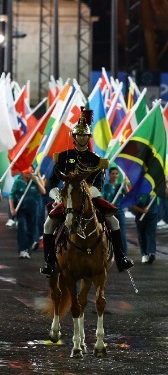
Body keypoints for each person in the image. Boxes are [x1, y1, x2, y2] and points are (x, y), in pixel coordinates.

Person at [40, 107, 134, 277]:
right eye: (79, 135)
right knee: (48, 224)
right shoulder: (63, 157)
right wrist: (57, 195)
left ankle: (121, 258)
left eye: (85, 135)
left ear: (88, 137)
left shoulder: (95, 160)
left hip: (90, 197)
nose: (82, 137)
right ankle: (49, 261)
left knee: (114, 222)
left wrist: (88, 193)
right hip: (67, 197)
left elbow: (99, 183)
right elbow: (52, 181)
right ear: (74, 137)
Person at [9, 168, 46, 259]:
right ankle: (22, 249)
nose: (29, 173)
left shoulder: (34, 181)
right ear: (22, 173)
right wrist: (12, 209)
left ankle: (27, 249)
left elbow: (43, 191)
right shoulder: (18, 182)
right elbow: (11, 196)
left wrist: (37, 180)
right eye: (27, 172)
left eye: (30, 172)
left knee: (31, 230)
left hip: (33, 210)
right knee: (22, 227)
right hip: (21, 209)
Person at [102, 167, 128, 255]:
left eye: (116, 173)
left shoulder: (120, 186)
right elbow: (102, 199)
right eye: (112, 173)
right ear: (109, 175)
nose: (114, 175)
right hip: (109, 213)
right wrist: (109, 204)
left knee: (122, 233)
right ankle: (110, 252)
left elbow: (128, 197)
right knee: (107, 233)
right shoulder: (105, 186)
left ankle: (123, 254)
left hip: (119, 212)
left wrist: (125, 186)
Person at [130, 193, 159, 264]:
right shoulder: (137, 190)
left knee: (151, 233)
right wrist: (141, 210)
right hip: (140, 216)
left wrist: (163, 186)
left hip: (152, 215)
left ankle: (151, 253)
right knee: (142, 235)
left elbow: (165, 194)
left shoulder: (156, 189)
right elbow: (131, 204)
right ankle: (144, 254)